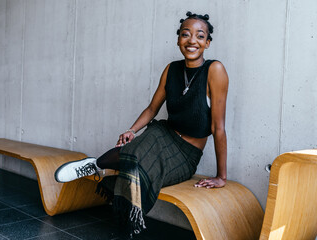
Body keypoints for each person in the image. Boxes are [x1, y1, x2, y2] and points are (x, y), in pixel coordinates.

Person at [54, 11, 229, 237]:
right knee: (134, 148)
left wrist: (221, 176)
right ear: (178, 40)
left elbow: (218, 128)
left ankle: (101, 169)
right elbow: (151, 109)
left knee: (136, 166)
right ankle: (95, 165)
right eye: (186, 34)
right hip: (163, 134)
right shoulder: (171, 69)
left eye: (199, 36)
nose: (192, 40)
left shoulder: (215, 70)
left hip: (186, 153)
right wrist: (131, 130)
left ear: (207, 42)